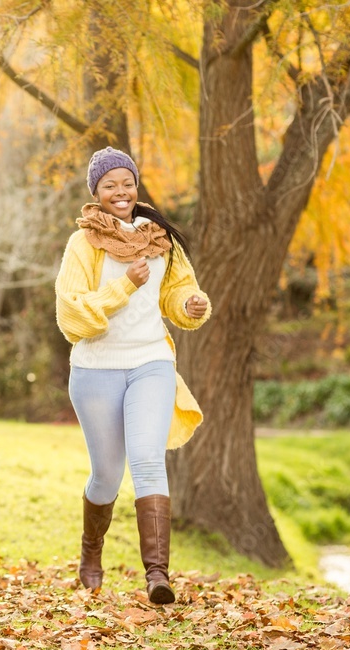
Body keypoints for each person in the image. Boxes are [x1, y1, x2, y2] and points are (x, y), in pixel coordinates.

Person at [55, 146, 211, 604]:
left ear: (135, 186)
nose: (120, 192)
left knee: (147, 461)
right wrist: (125, 285)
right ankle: (90, 553)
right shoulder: (83, 243)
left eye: (127, 183)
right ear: (97, 193)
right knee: (106, 474)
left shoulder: (159, 237)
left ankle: (158, 576)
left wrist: (190, 304)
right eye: (110, 185)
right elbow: (72, 314)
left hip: (151, 362)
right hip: (96, 368)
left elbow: (178, 292)